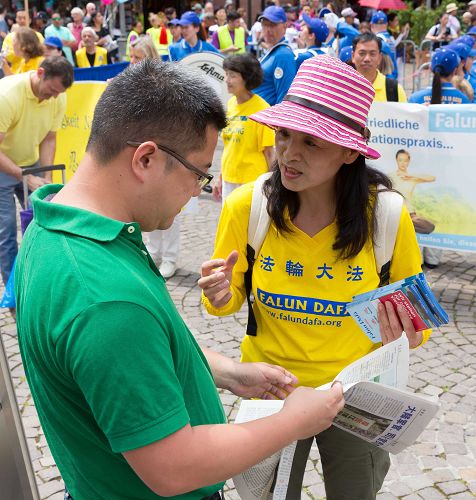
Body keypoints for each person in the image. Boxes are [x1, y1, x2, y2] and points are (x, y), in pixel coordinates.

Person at [14, 59, 344, 500]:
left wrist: (226, 372)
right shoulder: (108, 299)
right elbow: (173, 467)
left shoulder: (56, 222)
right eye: (198, 173)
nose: (198, 191)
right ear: (146, 158)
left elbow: (140, 356)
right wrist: (293, 421)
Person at [199, 55, 428, 500]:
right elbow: (223, 302)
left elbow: (415, 329)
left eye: (312, 142)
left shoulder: (386, 215)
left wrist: (405, 331)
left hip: (355, 395)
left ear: (349, 152)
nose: (290, 153)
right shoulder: (248, 206)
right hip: (270, 386)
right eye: (284, 135)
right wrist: (220, 293)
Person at [0, 56, 73, 291]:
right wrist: (23, 175)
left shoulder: (58, 96)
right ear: (40, 73)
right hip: (3, 167)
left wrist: (47, 175)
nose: (52, 97)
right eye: (51, 90)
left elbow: (50, 138)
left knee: (41, 221)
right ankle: (15, 291)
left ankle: (39, 282)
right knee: (7, 232)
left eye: (57, 93)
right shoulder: (8, 96)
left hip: (29, 163)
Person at [213, 53, 275, 203]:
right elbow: (230, 146)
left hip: (252, 182)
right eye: (226, 74)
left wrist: (273, 184)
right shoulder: (230, 104)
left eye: (232, 76)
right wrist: (220, 178)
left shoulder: (262, 110)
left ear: (247, 78)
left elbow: (269, 153)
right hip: (229, 179)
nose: (227, 80)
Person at [253, 6, 296, 105]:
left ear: (284, 27)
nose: (267, 30)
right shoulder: (274, 51)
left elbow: (284, 98)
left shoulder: (283, 55)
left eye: (272, 25)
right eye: (264, 25)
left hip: (267, 118)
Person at [352, 32, 407, 102]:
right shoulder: (343, 87)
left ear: (379, 58)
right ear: (353, 56)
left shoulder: (394, 89)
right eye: (362, 53)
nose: (367, 59)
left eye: (372, 54)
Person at [370, 10, 398, 79]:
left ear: (372, 25)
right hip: (393, 74)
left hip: (384, 76)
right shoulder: (389, 38)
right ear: (386, 24)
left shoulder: (378, 40)